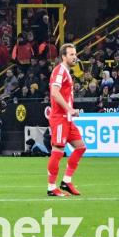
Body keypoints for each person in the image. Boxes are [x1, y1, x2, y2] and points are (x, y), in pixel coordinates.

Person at [46, 44, 86, 197]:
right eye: (71, 54)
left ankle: (66, 181)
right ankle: (51, 187)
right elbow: (55, 93)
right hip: (60, 118)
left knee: (81, 147)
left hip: (67, 119)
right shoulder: (59, 71)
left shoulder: (67, 72)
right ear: (63, 56)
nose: (74, 57)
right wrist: (69, 109)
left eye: (75, 54)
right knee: (57, 151)